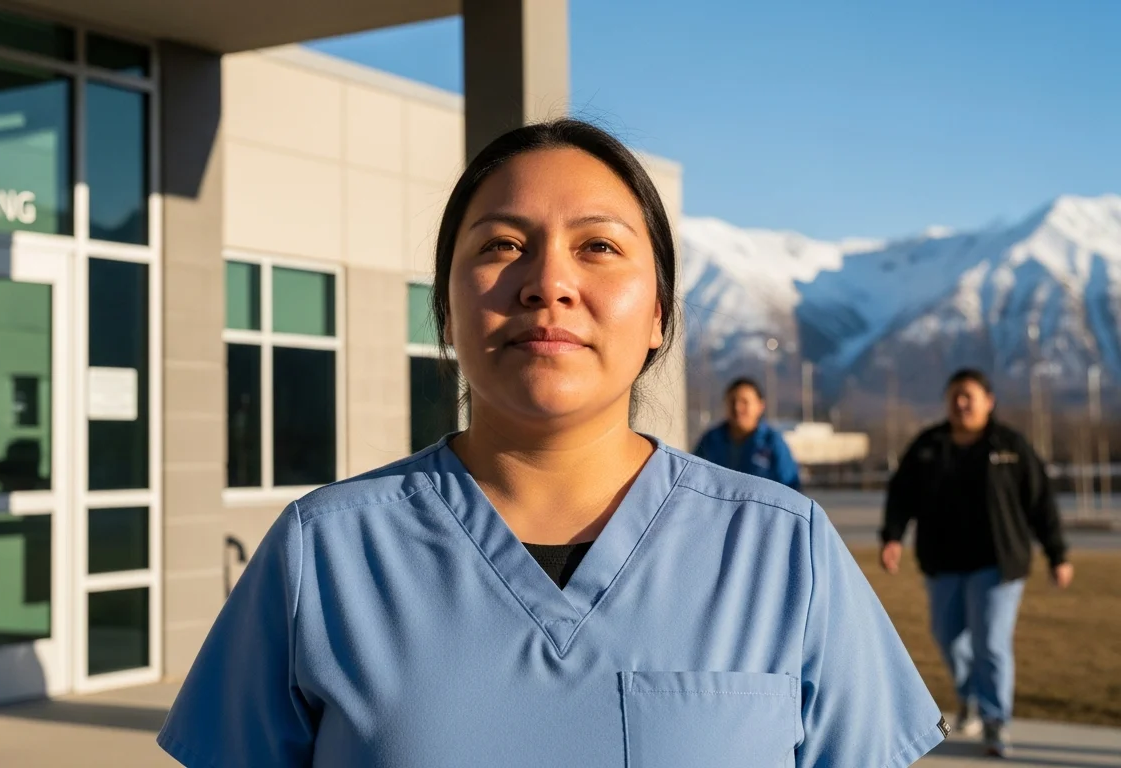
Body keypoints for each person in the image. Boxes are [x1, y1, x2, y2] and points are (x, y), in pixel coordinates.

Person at [159, 119, 945, 767]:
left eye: (598, 247)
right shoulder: (324, 554)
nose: (547, 283)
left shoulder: (782, 552)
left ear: (660, 315)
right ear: (446, 310)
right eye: (501, 246)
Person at [880, 368, 1071, 759]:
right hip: (943, 562)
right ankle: (968, 695)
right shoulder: (928, 446)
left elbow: (1041, 504)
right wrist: (892, 537)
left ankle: (995, 721)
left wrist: (1058, 554)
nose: (961, 403)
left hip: (998, 565)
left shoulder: (1010, 446)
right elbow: (901, 495)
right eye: (954, 395)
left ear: (989, 401)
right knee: (947, 638)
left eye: (969, 395)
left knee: (991, 643)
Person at [693, 377, 802, 490]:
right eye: (732, 401)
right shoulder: (711, 440)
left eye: (744, 402)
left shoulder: (772, 442)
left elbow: (791, 487)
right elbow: (693, 476)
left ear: (760, 406)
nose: (737, 408)